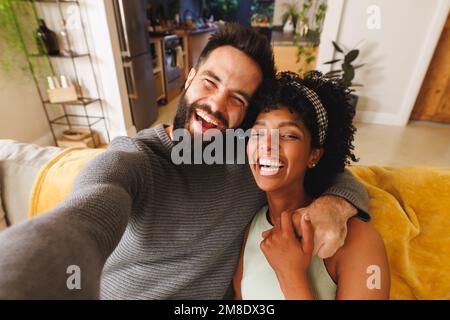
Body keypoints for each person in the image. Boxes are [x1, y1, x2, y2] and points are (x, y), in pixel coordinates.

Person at [0, 24, 369, 299]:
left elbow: (333, 171)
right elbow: (84, 219)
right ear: (189, 79)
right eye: (210, 82)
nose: (216, 105)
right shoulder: (135, 159)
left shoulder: (250, 158)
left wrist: (335, 207)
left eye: (237, 99)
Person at [233, 71, 389, 300]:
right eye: (258, 132)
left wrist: (291, 274)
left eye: (288, 135)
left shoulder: (359, 240)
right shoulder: (251, 227)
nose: (267, 146)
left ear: (314, 155)